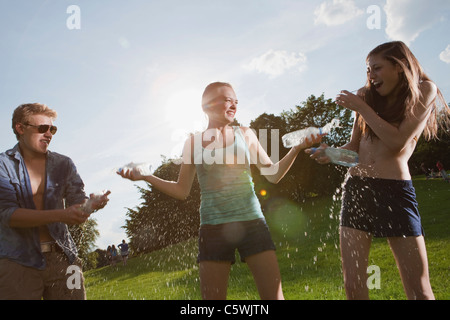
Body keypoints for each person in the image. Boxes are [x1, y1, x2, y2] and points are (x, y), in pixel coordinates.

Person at [118, 82, 322, 300]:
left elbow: (273, 174)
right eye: (227, 100)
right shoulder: (193, 143)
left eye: (236, 101)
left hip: (252, 222)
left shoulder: (246, 134)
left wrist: (296, 148)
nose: (233, 105)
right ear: (207, 106)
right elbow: (181, 190)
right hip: (213, 228)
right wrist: (147, 177)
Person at [309, 41, 449, 300]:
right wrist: (331, 154)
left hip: (394, 191)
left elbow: (397, 142)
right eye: (367, 70)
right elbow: (353, 150)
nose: (370, 76)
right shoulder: (366, 96)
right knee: (353, 285)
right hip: (357, 190)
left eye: (376, 68)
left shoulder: (424, 90)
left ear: (399, 67)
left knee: (418, 287)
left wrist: (362, 107)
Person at [0, 103, 110, 300]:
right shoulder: (3, 166)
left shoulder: (64, 164)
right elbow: (8, 215)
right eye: (43, 128)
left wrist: (90, 204)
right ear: (20, 128)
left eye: (53, 129)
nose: (49, 134)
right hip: (16, 263)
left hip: (64, 258)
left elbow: (78, 203)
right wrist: (62, 214)